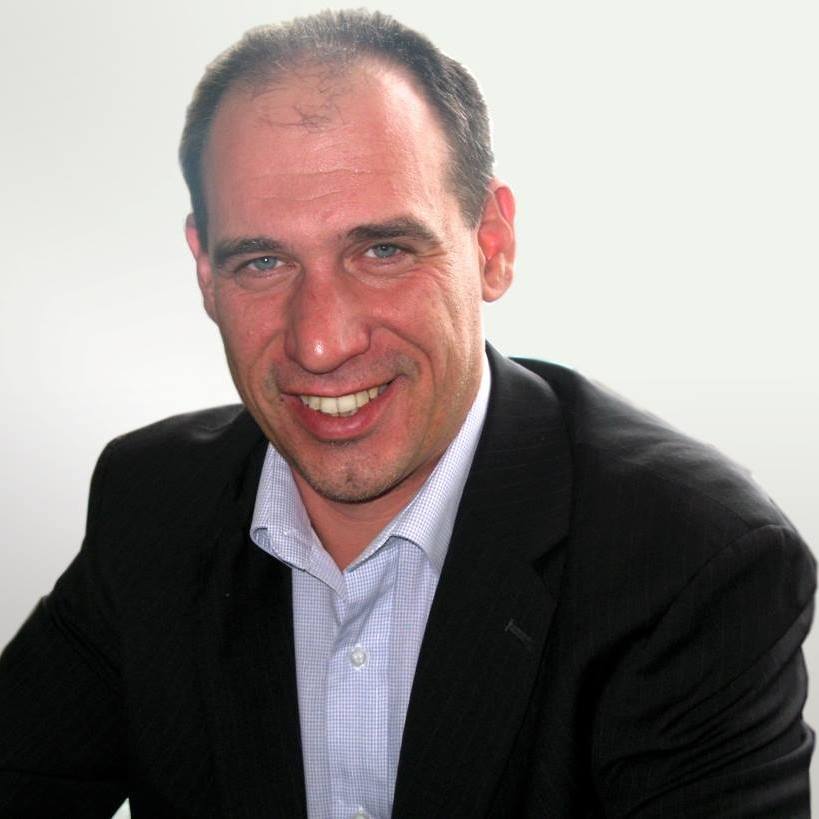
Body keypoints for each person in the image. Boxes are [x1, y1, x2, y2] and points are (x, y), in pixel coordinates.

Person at [0, 8, 814, 818]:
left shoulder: (688, 562)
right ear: (205, 272)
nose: (320, 342)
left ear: (491, 245)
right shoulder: (152, 505)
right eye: (262, 261)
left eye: (382, 250)